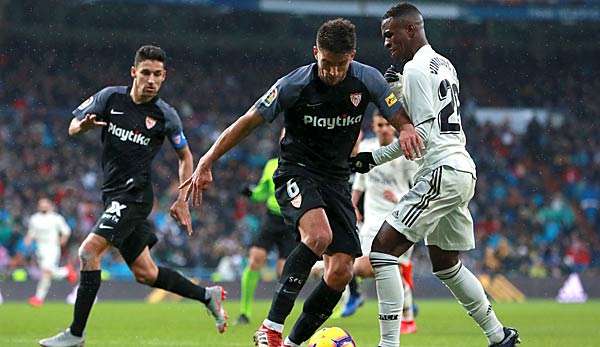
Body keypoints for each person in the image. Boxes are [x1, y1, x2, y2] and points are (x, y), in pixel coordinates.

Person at [181, 18, 422, 347]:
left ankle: (292, 343)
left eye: (340, 65)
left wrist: (406, 128)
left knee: (340, 271)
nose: (333, 72)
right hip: (297, 171)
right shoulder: (293, 85)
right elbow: (247, 121)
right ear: (314, 53)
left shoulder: (367, 79)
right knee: (318, 236)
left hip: (336, 179)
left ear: (351, 56)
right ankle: (270, 326)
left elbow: (396, 114)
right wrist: (207, 160)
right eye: (326, 63)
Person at [349, 3, 520, 347]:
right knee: (445, 264)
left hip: (440, 169)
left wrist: (374, 158)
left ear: (410, 29)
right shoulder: (444, 64)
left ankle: (388, 344)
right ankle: (499, 336)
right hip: (462, 168)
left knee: (382, 252)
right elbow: (432, 120)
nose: (386, 42)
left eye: (390, 34)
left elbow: (421, 137)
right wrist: (400, 95)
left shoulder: (414, 69)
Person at [39, 45, 227, 347]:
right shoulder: (109, 98)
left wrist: (181, 199)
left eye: (157, 75)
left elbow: (185, 156)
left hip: (134, 197)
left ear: (164, 77)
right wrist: (83, 126)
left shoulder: (165, 115)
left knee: (88, 253)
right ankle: (208, 295)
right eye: (146, 73)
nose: (151, 80)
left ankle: (75, 334)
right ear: (134, 72)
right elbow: (73, 126)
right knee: (146, 273)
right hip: (112, 194)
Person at [342, 112, 419, 335]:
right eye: (380, 125)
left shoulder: (404, 151)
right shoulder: (367, 147)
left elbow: (416, 185)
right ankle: (356, 297)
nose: (385, 128)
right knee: (367, 268)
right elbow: (360, 181)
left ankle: (408, 319)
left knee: (393, 269)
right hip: (372, 221)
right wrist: (353, 205)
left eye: (388, 124)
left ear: (394, 127)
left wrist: (399, 199)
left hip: (399, 218)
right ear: (374, 127)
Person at [237, 155, 297, 325]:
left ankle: (279, 316)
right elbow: (262, 193)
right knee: (255, 260)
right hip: (272, 219)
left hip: (291, 221)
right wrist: (251, 193)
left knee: (284, 271)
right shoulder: (272, 164)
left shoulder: (303, 162)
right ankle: (244, 312)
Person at [24, 198, 78, 307]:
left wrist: (63, 239)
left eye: (45, 204)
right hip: (40, 248)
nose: (43, 206)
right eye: (41, 204)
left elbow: (66, 230)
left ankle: (65, 272)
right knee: (46, 274)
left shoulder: (56, 218)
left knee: (47, 270)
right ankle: (39, 298)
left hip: (52, 247)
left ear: (49, 205)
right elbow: (32, 232)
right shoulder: (34, 218)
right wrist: (28, 239)